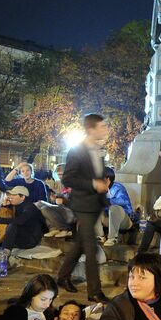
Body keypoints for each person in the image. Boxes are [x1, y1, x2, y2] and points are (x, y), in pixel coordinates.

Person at [56, 113, 111, 301]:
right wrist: (93, 184)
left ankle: (62, 277)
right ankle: (94, 292)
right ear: (91, 129)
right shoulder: (77, 150)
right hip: (83, 205)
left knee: (80, 244)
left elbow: (97, 173)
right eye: (102, 126)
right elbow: (68, 178)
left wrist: (102, 187)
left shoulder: (98, 149)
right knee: (90, 248)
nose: (105, 129)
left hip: (95, 203)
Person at [101, 166, 138, 246]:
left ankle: (112, 238)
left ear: (107, 179)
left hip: (124, 220)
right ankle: (100, 236)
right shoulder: (100, 189)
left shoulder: (118, 188)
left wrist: (108, 201)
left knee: (114, 208)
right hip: (108, 220)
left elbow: (123, 201)